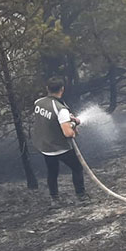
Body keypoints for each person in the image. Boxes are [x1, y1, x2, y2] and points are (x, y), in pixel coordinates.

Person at [32, 77, 88, 206]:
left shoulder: (39, 102)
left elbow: (49, 120)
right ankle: (81, 196)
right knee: (77, 168)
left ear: (47, 89)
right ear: (62, 89)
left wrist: (68, 119)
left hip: (45, 146)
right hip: (60, 147)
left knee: (52, 172)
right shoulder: (61, 109)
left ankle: (54, 200)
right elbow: (68, 133)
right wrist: (73, 124)